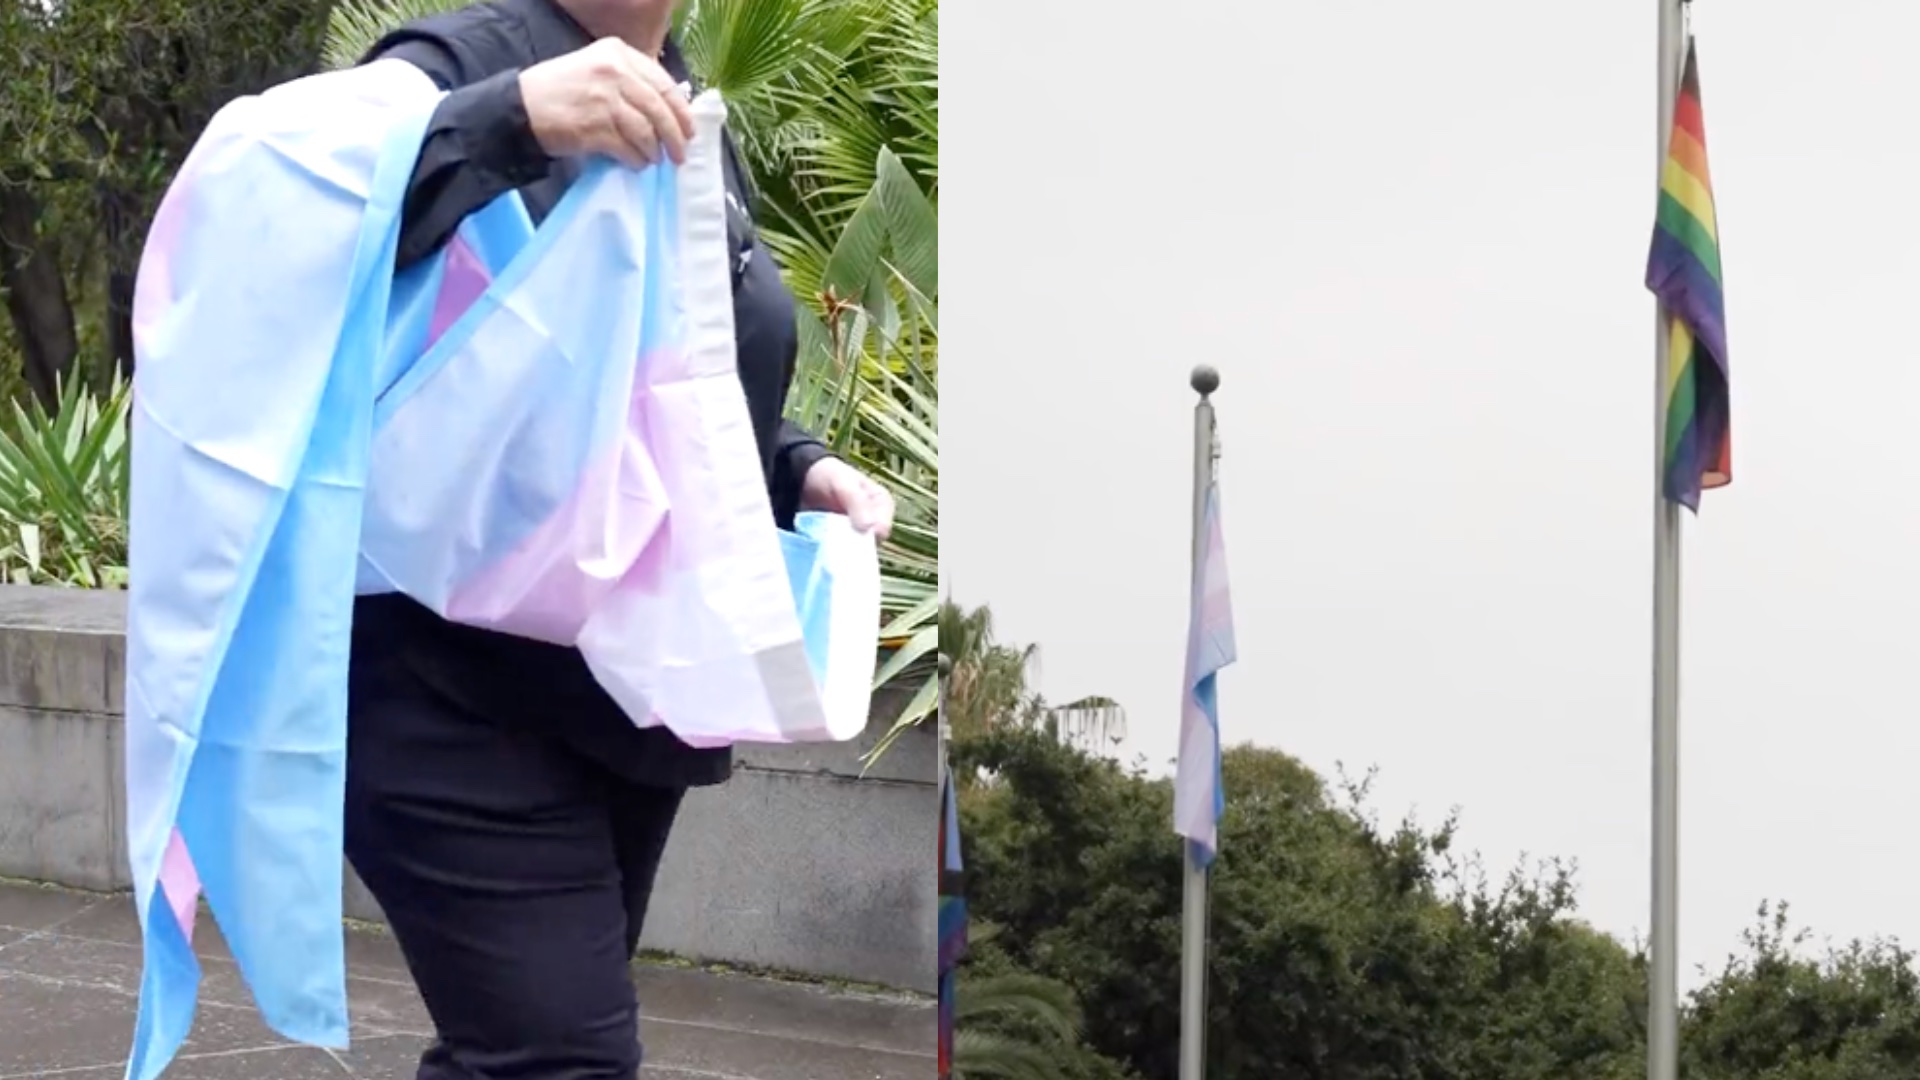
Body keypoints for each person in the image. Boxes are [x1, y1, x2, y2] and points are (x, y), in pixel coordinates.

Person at [341, 2, 896, 1077]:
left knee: (536, 1050)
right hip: (445, 683)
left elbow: (667, 370)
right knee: (558, 1056)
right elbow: (299, 241)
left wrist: (798, 466)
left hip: (625, 686)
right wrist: (512, 120)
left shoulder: (682, 94)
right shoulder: (457, 65)